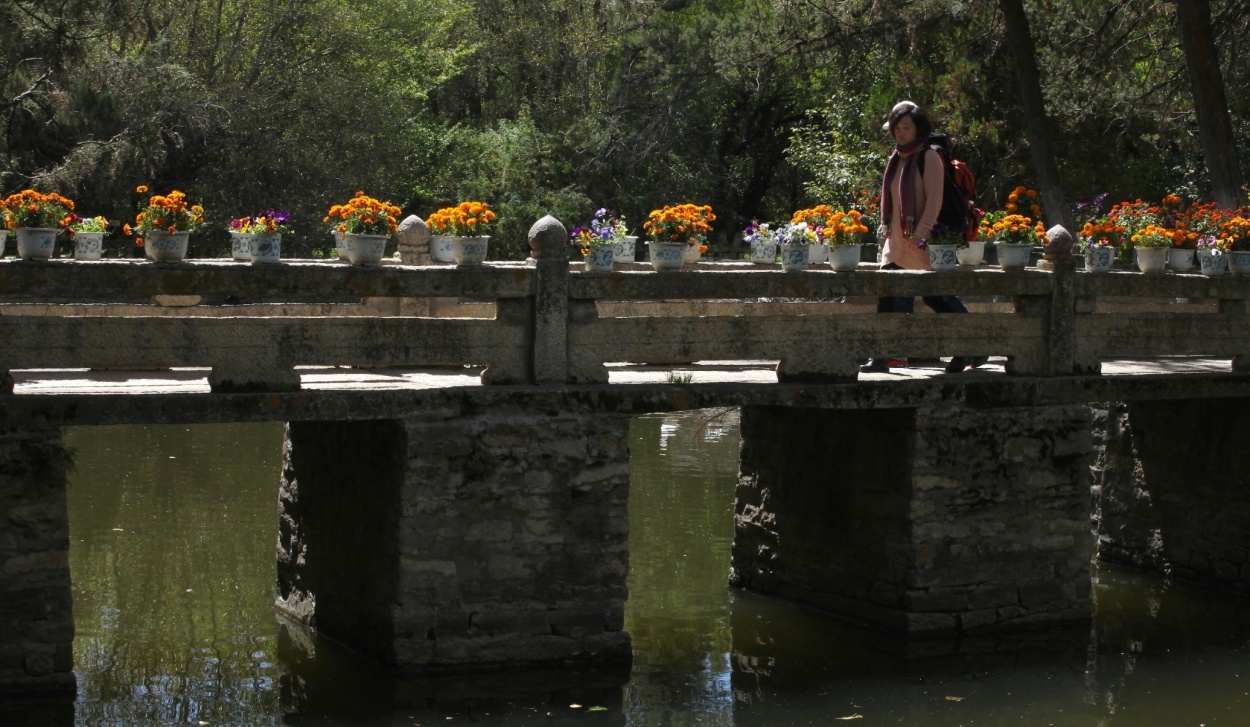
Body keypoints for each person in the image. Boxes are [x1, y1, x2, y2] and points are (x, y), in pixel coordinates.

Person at [860, 101, 985, 375]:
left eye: (907, 127)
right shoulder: (898, 157)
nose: (901, 133)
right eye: (897, 128)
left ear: (919, 129)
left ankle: (973, 344)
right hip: (895, 241)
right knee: (888, 295)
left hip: (922, 240)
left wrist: (919, 236)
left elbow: (934, 202)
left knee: (936, 297)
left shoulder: (929, 157)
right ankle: (882, 355)